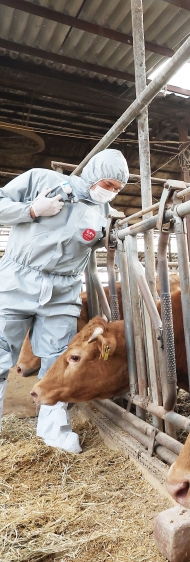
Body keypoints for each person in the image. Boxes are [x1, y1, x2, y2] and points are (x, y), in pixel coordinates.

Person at [0, 149, 129, 452]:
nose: (110, 192)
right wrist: (31, 210)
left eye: (117, 189)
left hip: (62, 292)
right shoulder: (41, 180)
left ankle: (53, 432)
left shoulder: (104, 213)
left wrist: (114, 235)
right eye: (108, 184)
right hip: (17, 282)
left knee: (57, 358)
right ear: (95, 175)